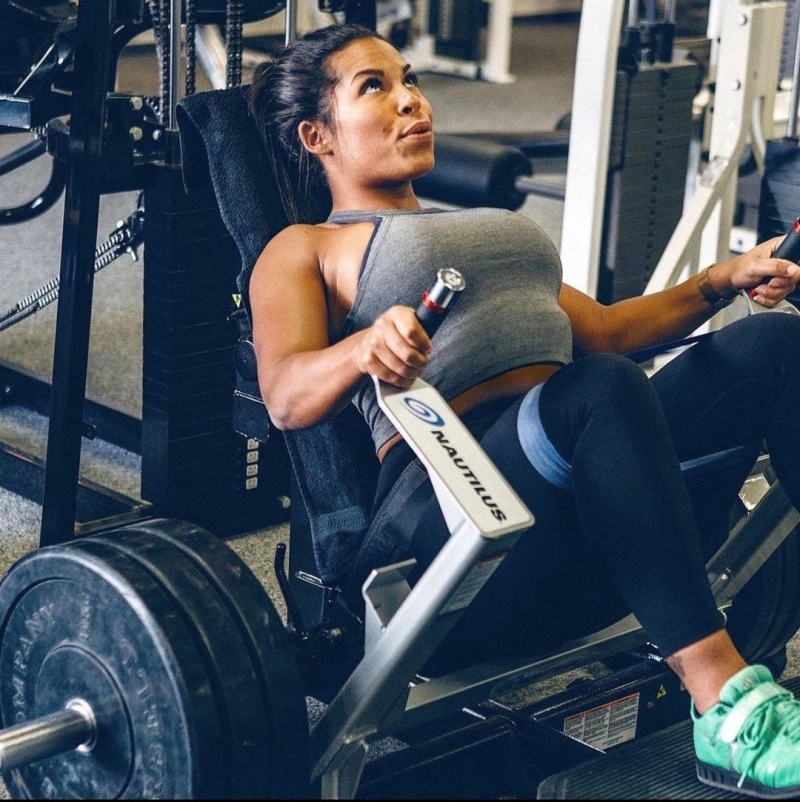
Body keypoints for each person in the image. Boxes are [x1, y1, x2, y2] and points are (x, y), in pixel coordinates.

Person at [248, 23, 800, 798]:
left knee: (773, 345)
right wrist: (361, 349)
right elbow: (284, 394)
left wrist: (718, 282)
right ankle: (724, 706)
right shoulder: (305, 247)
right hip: (461, 531)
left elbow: (608, 330)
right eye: (374, 87)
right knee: (600, 390)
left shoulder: (477, 229)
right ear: (318, 136)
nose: (410, 100)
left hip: (596, 491)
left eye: (410, 79)